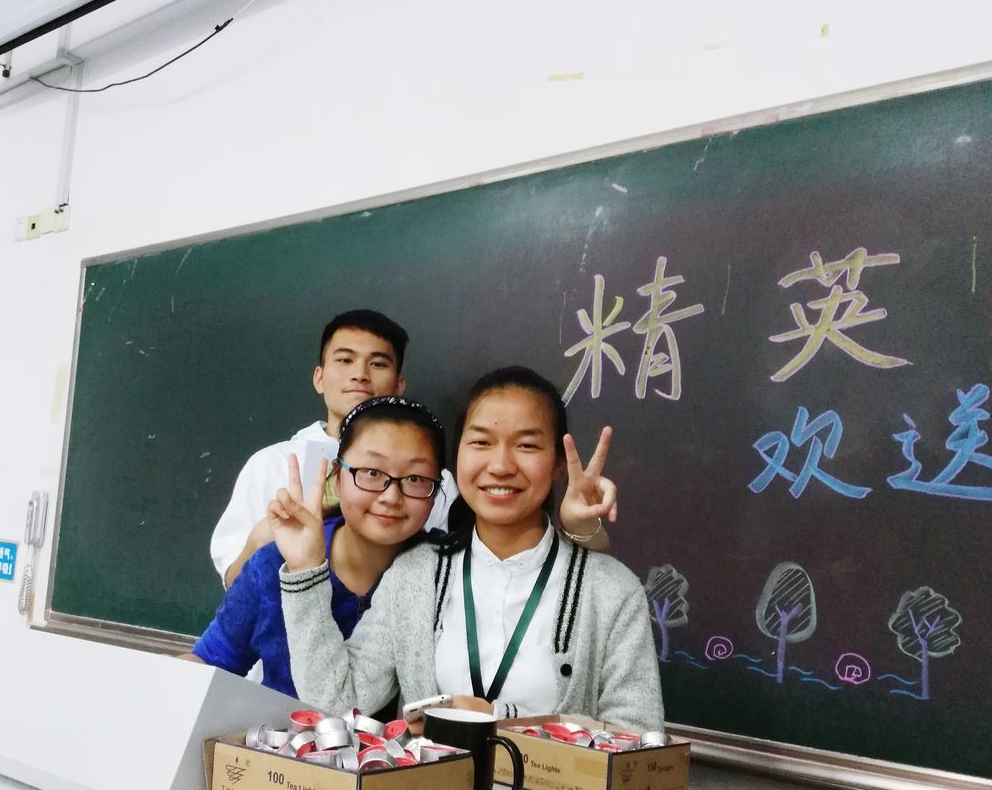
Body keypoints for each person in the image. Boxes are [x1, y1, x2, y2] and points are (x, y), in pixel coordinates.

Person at [276, 366, 663, 731]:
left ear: (558, 464)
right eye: (480, 442)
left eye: (526, 445)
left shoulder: (611, 590)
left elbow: (639, 743)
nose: (500, 465)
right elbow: (340, 700)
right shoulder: (416, 575)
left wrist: (501, 721)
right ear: (456, 457)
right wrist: (306, 569)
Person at [185, 396, 448, 696]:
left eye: (415, 478)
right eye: (372, 473)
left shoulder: (446, 575)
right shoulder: (276, 563)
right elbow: (209, 661)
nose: (390, 496)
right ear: (336, 477)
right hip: (281, 737)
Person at [209, 310, 455, 588]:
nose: (360, 375)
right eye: (345, 360)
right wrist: (259, 542)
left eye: (377, 364)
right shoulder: (269, 464)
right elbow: (233, 584)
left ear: (399, 386)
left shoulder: (433, 480)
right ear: (319, 378)